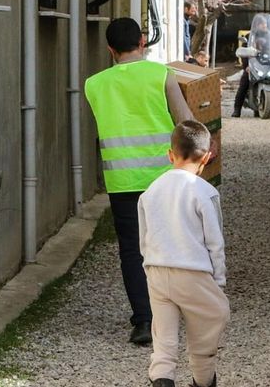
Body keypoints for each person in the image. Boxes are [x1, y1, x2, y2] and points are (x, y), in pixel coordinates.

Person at [85, 18, 194, 346]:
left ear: (110, 50)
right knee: (169, 244)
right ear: (142, 42)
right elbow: (187, 122)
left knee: (133, 250)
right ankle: (172, 314)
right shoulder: (161, 75)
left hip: (122, 181)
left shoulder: (94, 85)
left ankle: (143, 320)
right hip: (164, 178)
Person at [138, 120, 229, 387]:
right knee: (205, 333)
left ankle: (162, 379)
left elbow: (144, 237)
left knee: (164, 341)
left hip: (157, 270)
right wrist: (218, 283)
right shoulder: (205, 192)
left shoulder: (150, 191)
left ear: (170, 154)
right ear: (207, 157)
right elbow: (215, 242)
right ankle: (203, 381)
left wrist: (149, 266)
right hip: (193, 272)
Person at [231, 14, 270, 118]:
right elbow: (244, 54)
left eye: (265, 23)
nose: (264, 25)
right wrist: (246, 66)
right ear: (256, 25)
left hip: (268, 63)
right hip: (253, 64)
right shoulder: (249, 37)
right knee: (244, 83)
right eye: (261, 24)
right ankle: (237, 109)